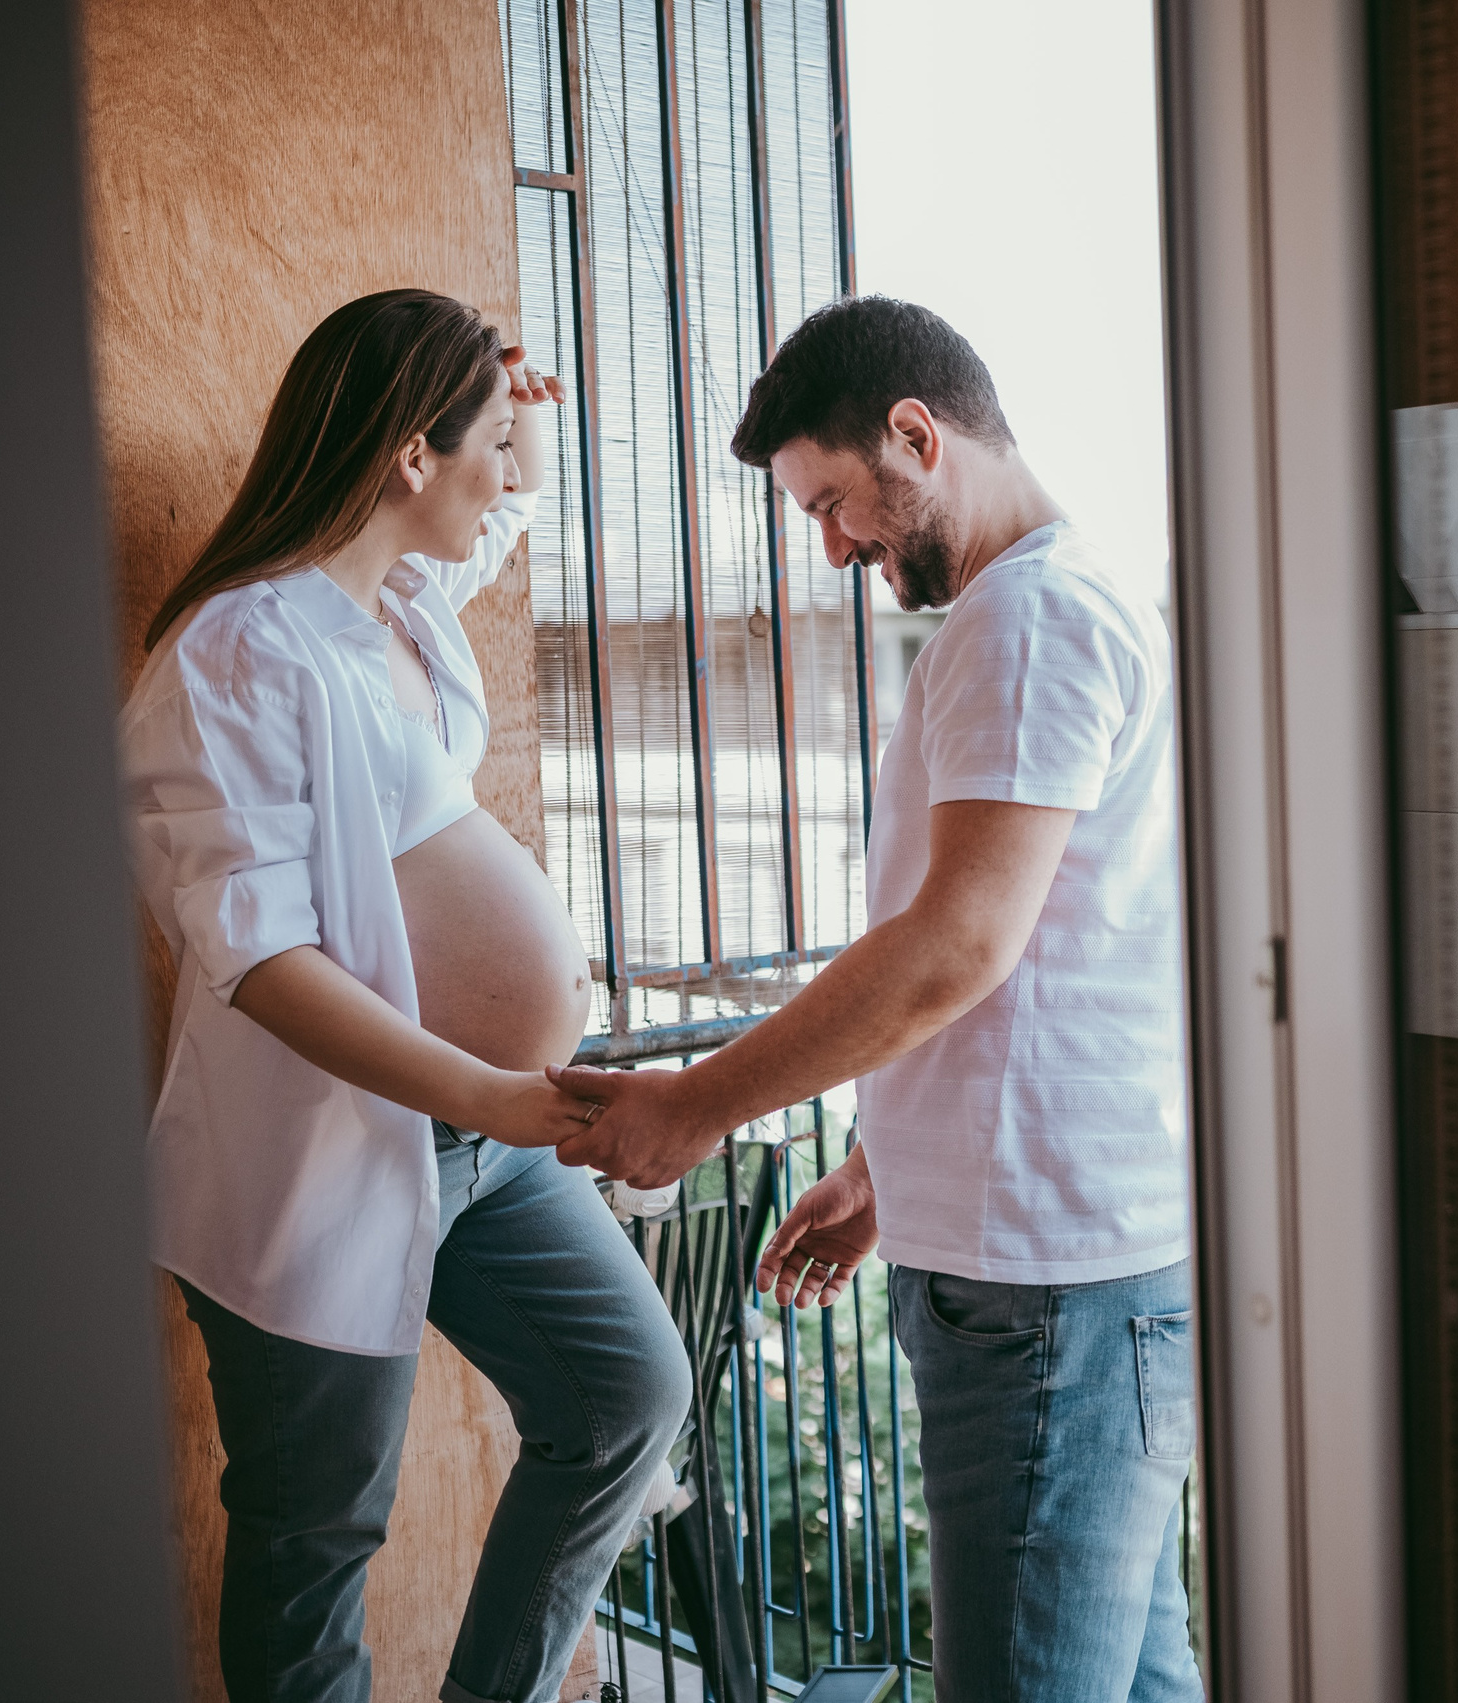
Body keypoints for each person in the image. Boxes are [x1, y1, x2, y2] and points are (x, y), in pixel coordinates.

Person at [548, 296, 1200, 1702]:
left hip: (1046, 1293)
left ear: (917, 434)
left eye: (833, 502)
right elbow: (1050, 956)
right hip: (1077, 1269)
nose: (835, 548)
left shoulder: (1027, 618)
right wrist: (884, 1161)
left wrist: (698, 1106)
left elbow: (958, 945)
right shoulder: (1067, 599)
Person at [121, 289, 692, 1703]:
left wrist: (521, 426)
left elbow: (492, 519)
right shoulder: (237, 653)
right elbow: (262, 961)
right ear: (408, 455)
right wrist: (490, 1089)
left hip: (484, 1147)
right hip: (335, 1151)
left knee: (626, 1395)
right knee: (317, 1535)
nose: (506, 473)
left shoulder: (403, 608)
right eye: (485, 443)